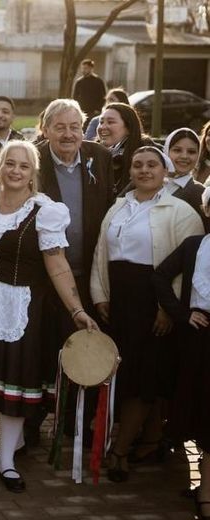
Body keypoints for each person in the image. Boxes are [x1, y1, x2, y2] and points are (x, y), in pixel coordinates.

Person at [0, 141, 97, 493]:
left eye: (23, 166)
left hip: (23, 309)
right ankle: (13, 445)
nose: (16, 171)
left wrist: (76, 309)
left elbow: (58, 265)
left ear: (33, 173)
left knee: (15, 380)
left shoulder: (44, 211)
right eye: (10, 164)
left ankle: (6, 460)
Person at [91, 147, 204, 483]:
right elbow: (101, 251)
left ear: (164, 171)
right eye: (137, 165)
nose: (144, 170)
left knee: (144, 377)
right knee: (135, 374)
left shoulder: (181, 211)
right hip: (121, 302)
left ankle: (120, 451)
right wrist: (100, 295)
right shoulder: (118, 207)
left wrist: (168, 309)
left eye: (152, 164)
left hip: (153, 303)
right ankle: (152, 441)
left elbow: (188, 268)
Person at [32, 98, 115, 447]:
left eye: (75, 126)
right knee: (41, 349)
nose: (68, 134)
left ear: (85, 129)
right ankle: (30, 424)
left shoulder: (100, 157)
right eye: (60, 127)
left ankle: (73, 423)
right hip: (41, 276)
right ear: (46, 129)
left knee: (82, 348)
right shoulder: (33, 159)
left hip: (88, 273)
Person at [152, 222, 210, 520]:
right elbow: (160, 275)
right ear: (208, 210)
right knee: (201, 408)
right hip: (199, 338)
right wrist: (181, 312)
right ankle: (205, 487)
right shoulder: (193, 245)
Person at [96, 102, 151, 195]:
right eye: (101, 122)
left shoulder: (146, 154)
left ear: (128, 128)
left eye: (110, 122)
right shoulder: (93, 152)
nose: (102, 127)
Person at [163, 128, 208, 220]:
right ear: (166, 151)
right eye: (177, 150)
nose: (184, 156)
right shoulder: (149, 182)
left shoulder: (199, 192)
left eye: (191, 152)